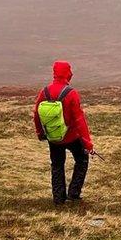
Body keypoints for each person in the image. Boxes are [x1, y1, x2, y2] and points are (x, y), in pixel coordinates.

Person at [33, 61, 94, 205]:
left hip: (53, 137)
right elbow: (80, 120)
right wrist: (88, 143)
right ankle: (74, 193)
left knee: (57, 165)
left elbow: (36, 114)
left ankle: (58, 198)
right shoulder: (71, 93)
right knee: (81, 160)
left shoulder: (45, 91)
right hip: (72, 136)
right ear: (67, 73)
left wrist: (41, 133)